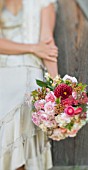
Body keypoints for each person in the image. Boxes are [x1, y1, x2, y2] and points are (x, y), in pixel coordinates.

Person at [0, 0, 58, 169]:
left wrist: (59, 91)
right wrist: (33, 48)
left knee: (26, 145)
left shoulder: (43, 3)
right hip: (3, 76)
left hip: (32, 74)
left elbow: (48, 45)